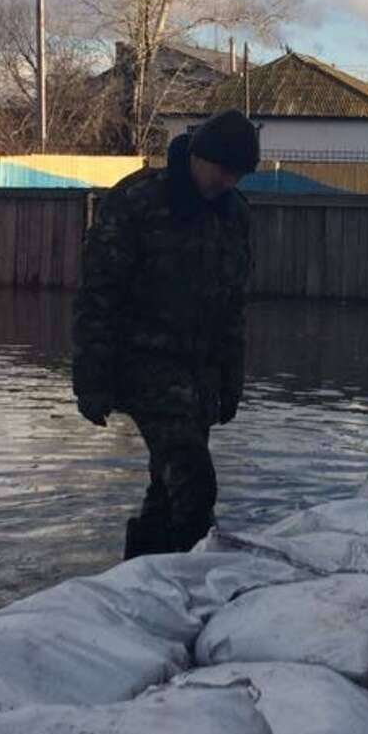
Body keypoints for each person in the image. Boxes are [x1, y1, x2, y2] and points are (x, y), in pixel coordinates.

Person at [72, 110, 259, 559]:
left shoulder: (234, 217)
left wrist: (231, 383)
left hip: (200, 372)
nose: (227, 182)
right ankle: (201, 584)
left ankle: (138, 579)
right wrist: (91, 380)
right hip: (144, 364)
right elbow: (98, 295)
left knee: (165, 491)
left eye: (238, 175)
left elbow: (233, 307)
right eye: (222, 170)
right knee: (193, 481)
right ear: (198, 156)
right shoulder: (138, 202)